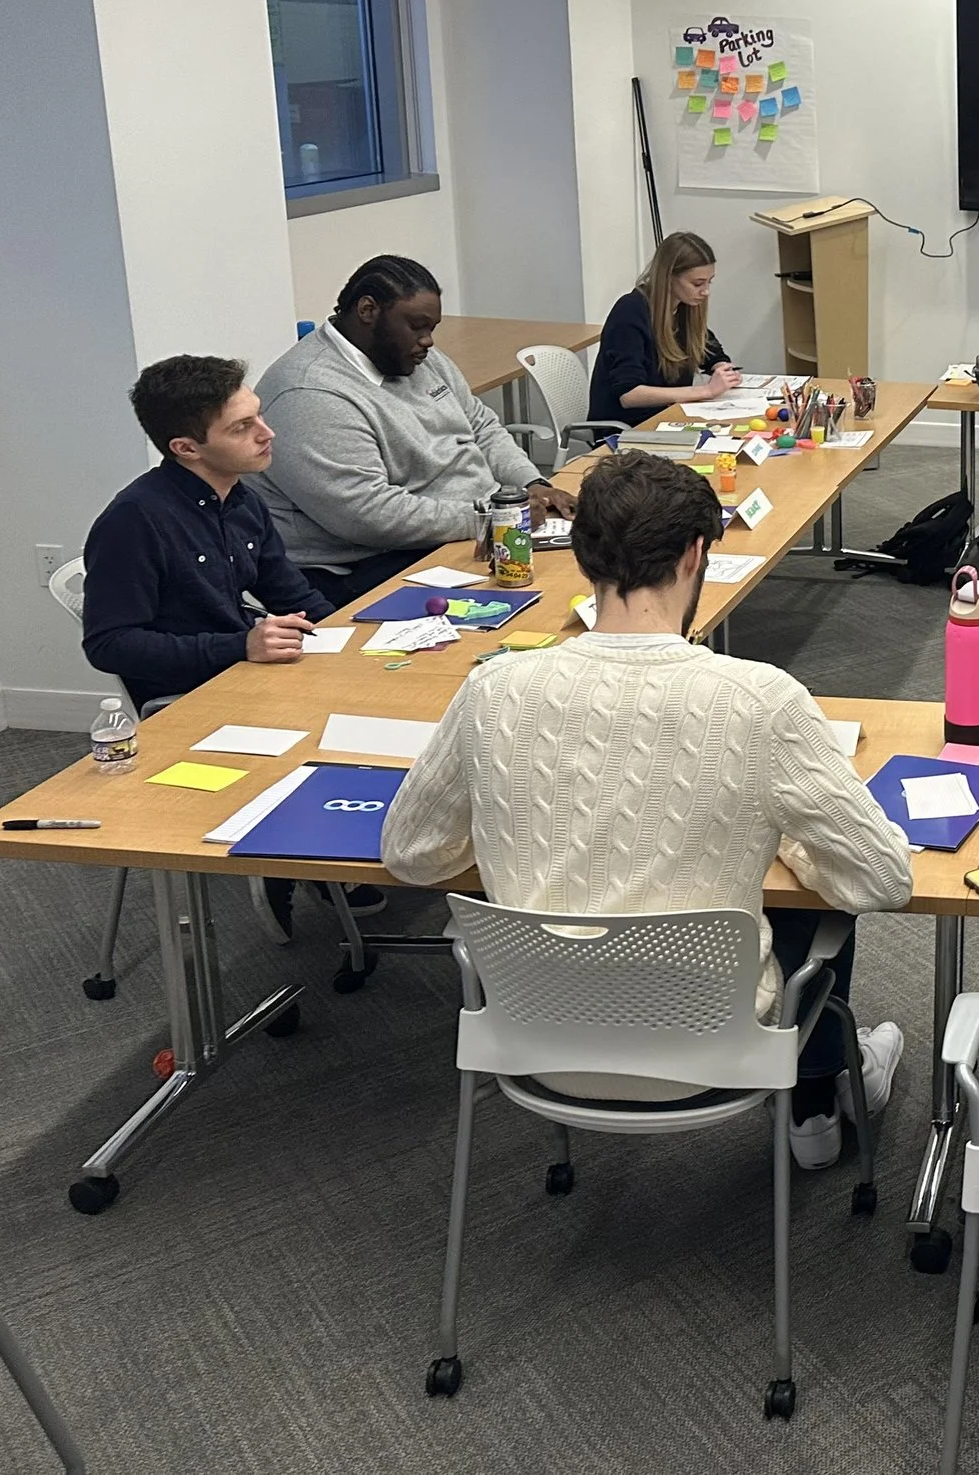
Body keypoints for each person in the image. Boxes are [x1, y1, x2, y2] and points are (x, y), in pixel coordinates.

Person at [380, 451, 914, 1169]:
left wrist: (520, 829)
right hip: (710, 1042)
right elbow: (883, 879)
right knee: (813, 896)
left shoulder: (494, 688)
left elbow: (409, 852)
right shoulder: (761, 699)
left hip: (532, 1031)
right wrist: (783, 838)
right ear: (696, 554)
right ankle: (819, 1099)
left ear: (580, 550)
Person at [81, 354, 375, 943]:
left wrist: (358, 645)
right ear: (187, 447)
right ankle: (283, 860)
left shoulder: (241, 497)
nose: (267, 434)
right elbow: (111, 644)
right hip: (184, 700)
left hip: (248, 670)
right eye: (242, 428)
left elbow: (290, 591)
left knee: (377, 702)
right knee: (336, 730)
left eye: (258, 417)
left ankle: (329, 849)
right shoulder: (135, 521)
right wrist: (237, 646)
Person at [252, 256, 576, 597]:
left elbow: (481, 426)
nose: (428, 341)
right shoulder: (309, 393)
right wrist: (489, 517)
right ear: (367, 310)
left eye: (431, 329)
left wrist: (530, 483)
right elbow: (369, 515)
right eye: (416, 326)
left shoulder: (410, 356)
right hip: (371, 563)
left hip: (468, 528)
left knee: (595, 563)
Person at [589, 231, 740, 425]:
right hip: (627, 429)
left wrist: (723, 369)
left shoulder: (684, 308)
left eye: (709, 282)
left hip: (670, 419)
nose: (706, 292)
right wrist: (706, 391)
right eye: (697, 283)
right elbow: (629, 394)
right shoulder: (630, 312)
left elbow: (709, 352)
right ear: (668, 277)